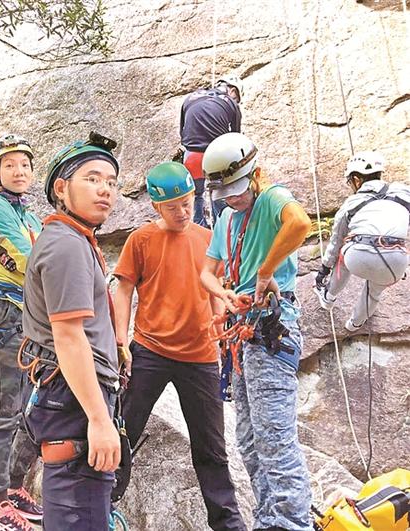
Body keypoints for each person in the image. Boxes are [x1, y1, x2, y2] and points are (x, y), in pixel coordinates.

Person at [113, 161, 246, 531]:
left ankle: (228, 524)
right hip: (150, 351)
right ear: (156, 206)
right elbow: (122, 289)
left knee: (212, 449)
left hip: (201, 356)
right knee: (122, 430)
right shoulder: (140, 239)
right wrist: (120, 339)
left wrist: (221, 330)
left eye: (187, 202)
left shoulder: (207, 238)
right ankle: (100, 504)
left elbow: (215, 288)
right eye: (173, 206)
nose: (183, 212)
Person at [198, 133, 313, 531]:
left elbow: (299, 223)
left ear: (255, 174)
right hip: (242, 329)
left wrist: (266, 271)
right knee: (248, 438)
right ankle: (270, 520)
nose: (232, 199)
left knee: (273, 436)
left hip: (270, 326)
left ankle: (291, 522)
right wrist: (225, 294)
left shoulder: (271, 198)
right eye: (225, 193)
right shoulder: (226, 219)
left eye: (237, 190)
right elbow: (205, 274)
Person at [20, 132, 122, 530]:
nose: (106, 190)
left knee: (83, 509)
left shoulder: (73, 239)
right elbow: (68, 337)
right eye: (93, 178)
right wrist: (99, 421)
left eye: (111, 182)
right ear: (61, 189)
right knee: (79, 511)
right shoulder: (66, 245)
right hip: (75, 401)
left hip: (71, 394)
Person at [0, 134, 42, 529]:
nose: (19, 171)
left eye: (25, 165)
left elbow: (39, 254)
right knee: (4, 407)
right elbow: (32, 257)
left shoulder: (29, 215)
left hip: (29, 313)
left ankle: (13, 486)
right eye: (10, 165)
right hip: (4, 313)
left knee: (30, 404)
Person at [314, 151, 410, 332]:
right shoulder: (404, 193)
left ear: (357, 180)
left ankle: (329, 296)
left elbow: (336, 241)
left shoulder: (352, 203)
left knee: (343, 253)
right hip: (396, 261)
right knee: (375, 290)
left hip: (358, 256)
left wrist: (324, 269)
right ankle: (355, 323)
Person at [179, 74, 243, 228]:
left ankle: (198, 229)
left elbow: (182, 132)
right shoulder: (232, 104)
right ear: (233, 91)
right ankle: (223, 228)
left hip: (191, 155)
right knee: (219, 193)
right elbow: (235, 138)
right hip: (215, 155)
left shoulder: (190, 98)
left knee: (196, 195)